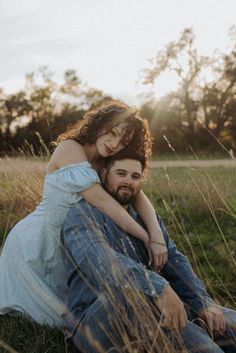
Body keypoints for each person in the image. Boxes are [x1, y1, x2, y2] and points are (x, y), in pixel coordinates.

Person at [0, 100, 168, 327]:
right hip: (37, 244)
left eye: (123, 141)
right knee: (53, 320)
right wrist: (144, 236)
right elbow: (101, 202)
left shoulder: (104, 160)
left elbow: (138, 195)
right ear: (100, 124)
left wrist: (156, 235)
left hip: (73, 241)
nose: (114, 143)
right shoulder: (70, 148)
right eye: (112, 132)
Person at [62, 149, 236, 353]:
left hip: (151, 308)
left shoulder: (145, 219)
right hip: (94, 319)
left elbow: (174, 260)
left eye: (135, 176)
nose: (128, 181)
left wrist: (203, 303)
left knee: (224, 321)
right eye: (121, 173)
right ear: (103, 175)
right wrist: (158, 286)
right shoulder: (81, 215)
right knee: (137, 296)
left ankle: (201, 325)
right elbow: (99, 263)